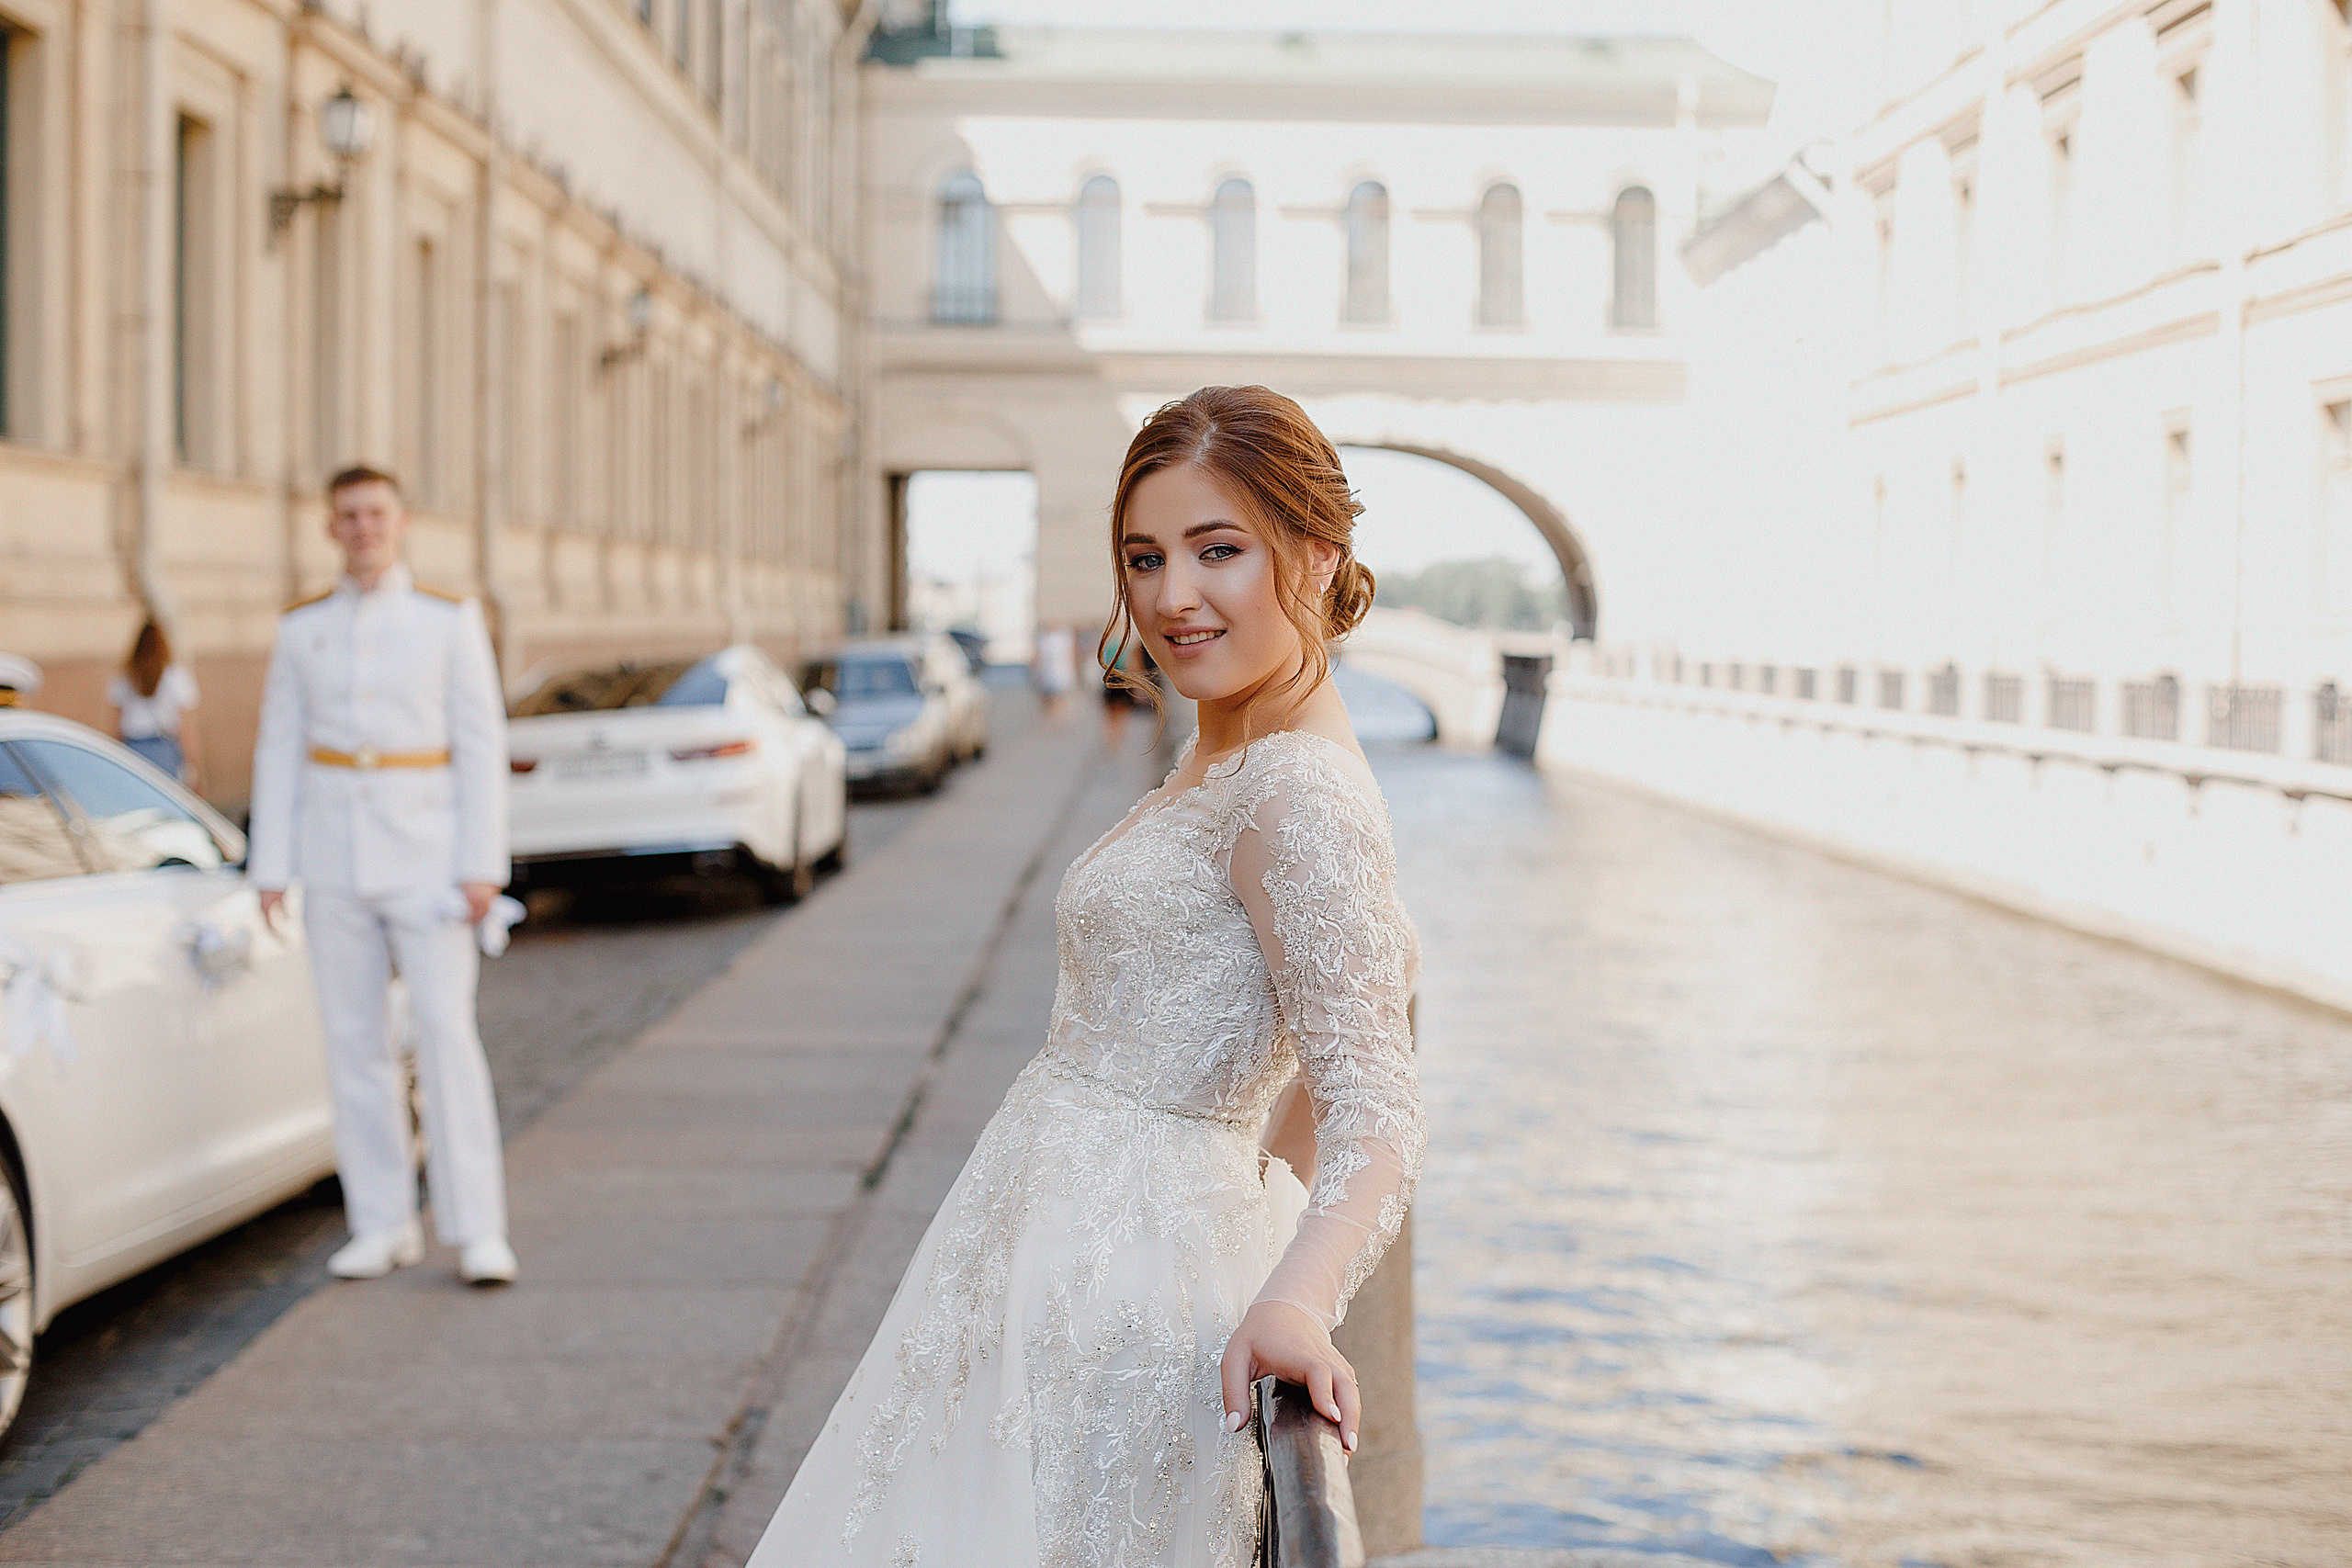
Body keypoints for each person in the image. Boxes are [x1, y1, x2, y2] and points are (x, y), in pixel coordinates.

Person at [746, 386, 1421, 1567]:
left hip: (1131, 1293)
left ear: (1315, 558)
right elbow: (1348, 1029)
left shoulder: (1300, 793)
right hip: (1053, 1250)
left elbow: (1375, 1110)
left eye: (1219, 551)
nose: (1170, 597)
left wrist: (1294, 1298)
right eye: (1144, 556)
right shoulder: (1226, 749)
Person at [248, 465, 518, 1288]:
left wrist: (481, 862)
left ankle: (477, 1228)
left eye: (376, 513)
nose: (362, 528)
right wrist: (272, 865)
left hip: (429, 856)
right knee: (354, 1043)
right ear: (331, 529)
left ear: (401, 522)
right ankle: (382, 1220)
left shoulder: (446, 618)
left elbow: (480, 742)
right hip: (334, 856)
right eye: (348, 516)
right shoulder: (302, 629)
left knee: (443, 1031)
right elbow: (278, 744)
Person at [108, 619, 204, 789]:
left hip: (132, 750)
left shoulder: (126, 677)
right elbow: (186, 732)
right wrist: (196, 767)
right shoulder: (176, 677)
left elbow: (115, 729)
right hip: (165, 750)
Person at [1032, 622, 1076, 722]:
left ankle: (1058, 718)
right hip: (1048, 673)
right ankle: (1054, 718)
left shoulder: (1063, 637)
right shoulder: (1044, 638)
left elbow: (1069, 656)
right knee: (1049, 698)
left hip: (1060, 673)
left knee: (1058, 697)